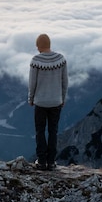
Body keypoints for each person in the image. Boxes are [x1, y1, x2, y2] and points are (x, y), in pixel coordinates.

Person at [28, 33, 68, 171]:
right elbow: (65, 81)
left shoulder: (35, 61)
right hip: (56, 101)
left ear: (39, 45)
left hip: (40, 102)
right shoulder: (61, 59)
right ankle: (51, 161)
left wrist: (31, 98)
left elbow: (32, 82)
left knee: (40, 131)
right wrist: (63, 98)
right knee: (53, 131)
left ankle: (41, 162)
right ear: (49, 44)